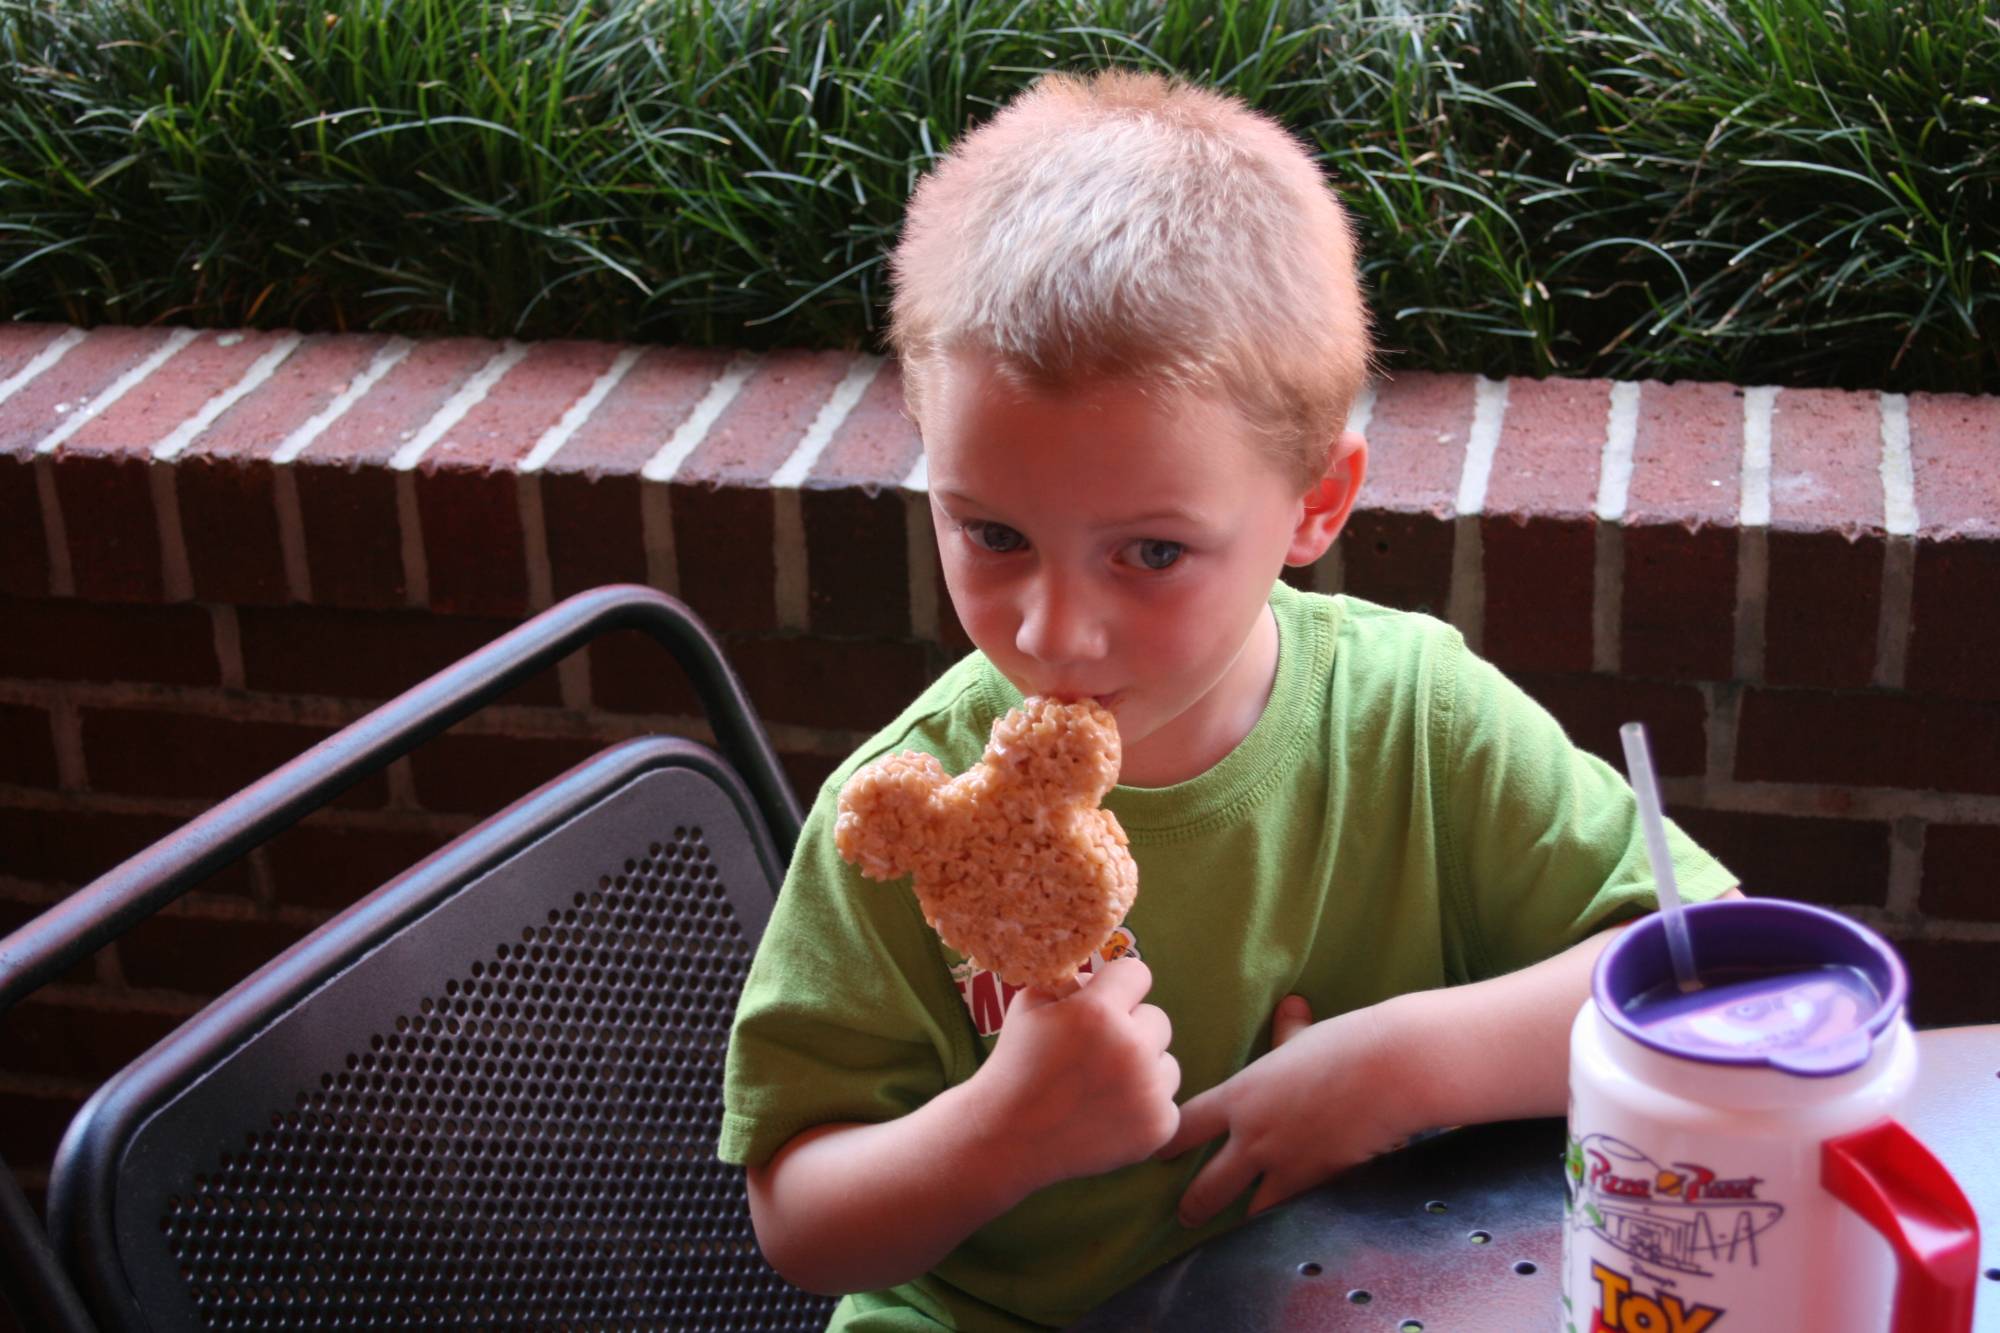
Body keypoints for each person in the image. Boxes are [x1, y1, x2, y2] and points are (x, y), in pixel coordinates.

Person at [719, 69, 1738, 1331]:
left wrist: (1395, 1068)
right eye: (990, 532)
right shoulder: (902, 813)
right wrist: (1002, 1129)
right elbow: (799, 1219)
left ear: (1315, 501)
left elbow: (1712, 973)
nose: (1050, 629)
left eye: (1148, 552)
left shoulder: (1412, 719)